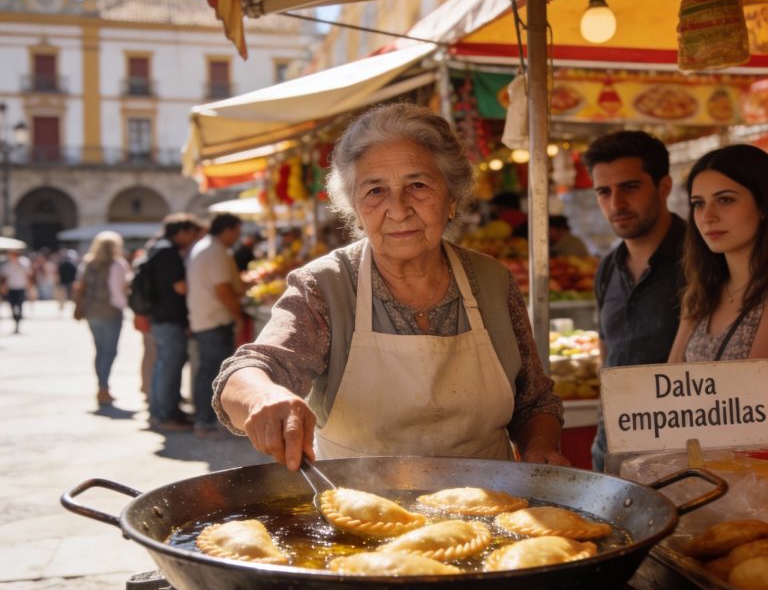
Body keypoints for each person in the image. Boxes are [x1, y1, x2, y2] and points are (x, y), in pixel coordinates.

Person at [212, 102, 568, 471]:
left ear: (452, 198)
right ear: (355, 209)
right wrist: (262, 396)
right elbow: (251, 368)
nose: (398, 209)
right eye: (376, 191)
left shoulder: (492, 280)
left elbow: (534, 401)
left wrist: (540, 447)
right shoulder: (324, 286)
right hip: (361, 511)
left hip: (489, 506)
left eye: (417, 185)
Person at [583, 130, 686, 472]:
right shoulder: (608, 268)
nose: (616, 204)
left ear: (664, 186)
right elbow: (606, 351)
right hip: (611, 446)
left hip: (680, 451)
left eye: (629, 187)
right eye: (604, 192)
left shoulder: (703, 261)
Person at [668, 144, 768, 362]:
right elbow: (670, 381)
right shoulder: (699, 295)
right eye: (698, 204)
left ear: (763, 206)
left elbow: (755, 386)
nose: (707, 217)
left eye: (725, 200)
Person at [186, 212, 244, 439]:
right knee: (213, 373)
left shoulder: (203, 246)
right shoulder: (215, 250)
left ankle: (205, 420)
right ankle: (207, 421)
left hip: (205, 319)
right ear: (227, 230)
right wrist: (238, 315)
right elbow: (223, 290)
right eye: (236, 233)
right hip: (214, 320)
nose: (237, 238)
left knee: (207, 371)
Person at [144, 214, 201, 432]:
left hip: (160, 317)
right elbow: (180, 287)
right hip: (170, 318)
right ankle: (165, 415)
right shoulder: (168, 251)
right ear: (182, 232)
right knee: (169, 366)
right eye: (191, 233)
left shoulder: (157, 247)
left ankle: (161, 411)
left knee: (164, 366)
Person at [74, 231, 131, 405]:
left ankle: (102, 386)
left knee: (100, 351)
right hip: (110, 312)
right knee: (109, 351)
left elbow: (80, 285)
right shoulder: (117, 264)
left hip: (92, 311)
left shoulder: (89, 263)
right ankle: (103, 387)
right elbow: (117, 291)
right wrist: (123, 305)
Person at [1, 250, 33, 333]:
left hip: (21, 288)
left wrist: (30, 288)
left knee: (20, 304)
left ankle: (18, 321)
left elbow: (28, 276)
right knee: (12, 305)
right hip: (11, 288)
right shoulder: (7, 265)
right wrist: (3, 288)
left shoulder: (24, 263)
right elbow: (4, 278)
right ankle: (15, 319)